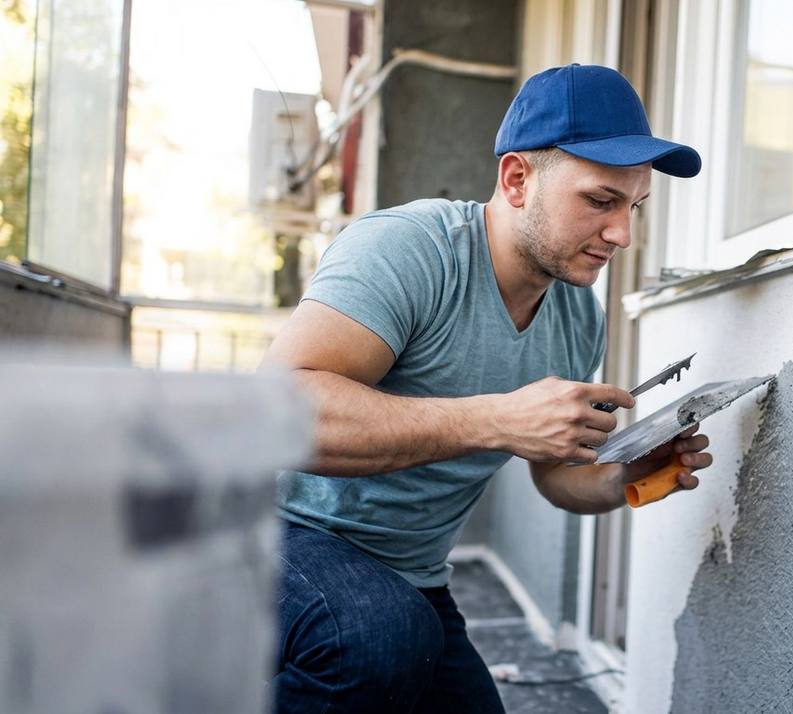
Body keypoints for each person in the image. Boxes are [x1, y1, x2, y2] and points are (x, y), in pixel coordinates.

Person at [263, 64, 712, 713]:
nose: (623, 235)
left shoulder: (577, 314)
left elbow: (556, 475)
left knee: (405, 640)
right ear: (517, 179)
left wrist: (624, 475)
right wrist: (495, 420)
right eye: (601, 201)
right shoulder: (408, 250)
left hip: (409, 576)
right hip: (268, 533)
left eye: (634, 207)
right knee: (376, 636)